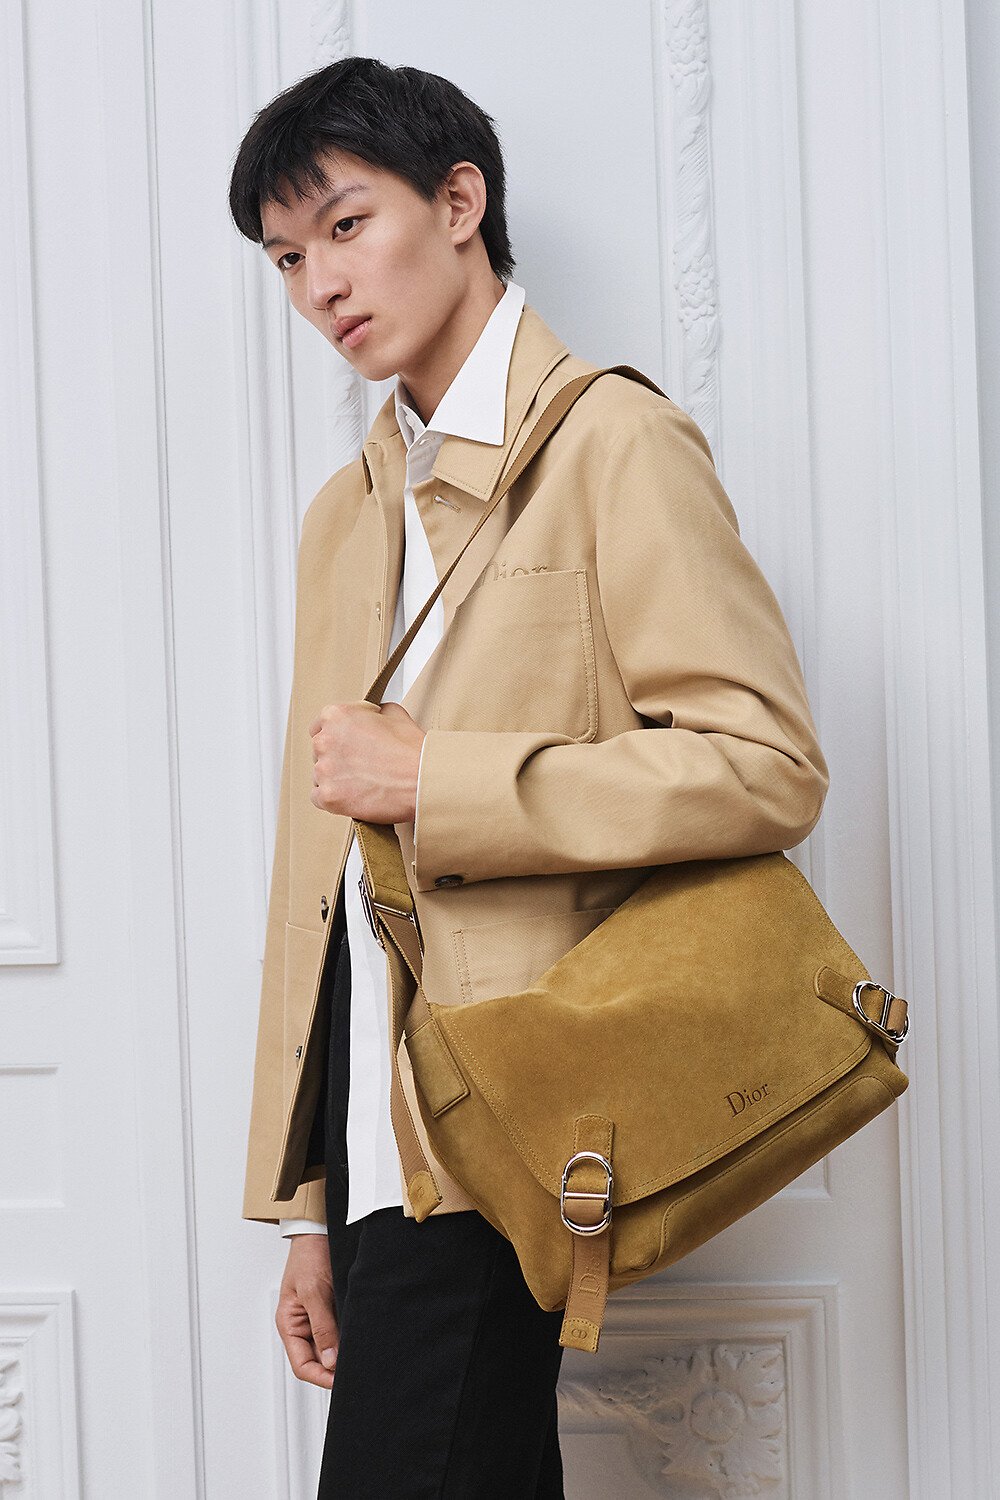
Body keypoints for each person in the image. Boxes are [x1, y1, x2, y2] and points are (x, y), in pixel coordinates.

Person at [228, 55, 829, 1499]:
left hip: (522, 1106)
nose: (321, 285)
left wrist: (445, 780)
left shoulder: (615, 442)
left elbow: (765, 764)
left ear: (459, 203)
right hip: (383, 1153)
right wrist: (307, 1205)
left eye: (346, 226)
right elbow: (323, 884)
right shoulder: (345, 514)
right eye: (288, 258)